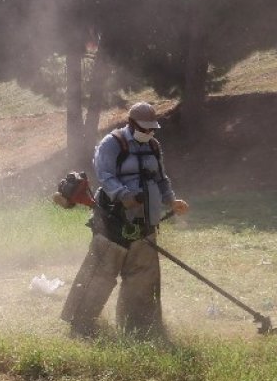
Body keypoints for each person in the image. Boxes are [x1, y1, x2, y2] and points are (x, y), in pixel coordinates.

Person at [61, 102, 190, 339]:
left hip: (146, 221)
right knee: (101, 273)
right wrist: (124, 195)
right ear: (131, 124)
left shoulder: (153, 146)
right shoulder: (112, 144)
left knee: (142, 275)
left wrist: (172, 200)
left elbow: (161, 178)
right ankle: (80, 323)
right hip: (114, 219)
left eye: (153, 129)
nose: (149, 133)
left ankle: (138, 326)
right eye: (145, 128)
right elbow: (104, 175)